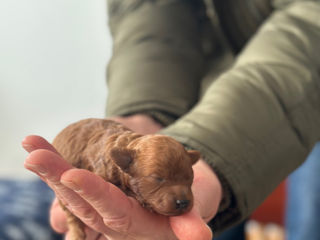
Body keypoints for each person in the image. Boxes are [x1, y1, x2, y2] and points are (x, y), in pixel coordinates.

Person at [22, 0, 320, 239]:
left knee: (312, 215)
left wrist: (216, 149)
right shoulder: (115, 160)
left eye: (183, 180)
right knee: (211, 222)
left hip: (305, 77)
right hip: (198, 92)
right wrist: (147, 108)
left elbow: (311, 23)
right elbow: (146, 10)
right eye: (161, 179)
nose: (180, 196)